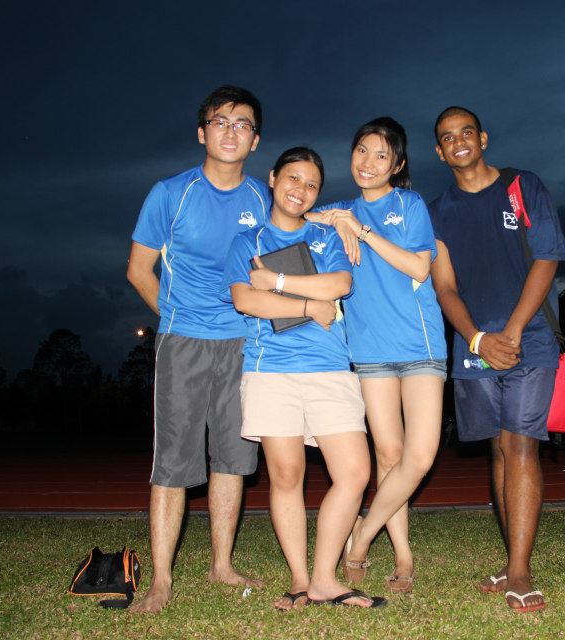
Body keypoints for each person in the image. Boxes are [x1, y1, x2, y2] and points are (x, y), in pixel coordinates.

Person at [223, 147, 386, 610]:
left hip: (329, 368)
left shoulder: (325, 236)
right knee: (287, 474)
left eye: (312, 184)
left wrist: (275, 281)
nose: (301, 190)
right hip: (270, 370)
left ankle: (324, 579)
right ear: (273, 178)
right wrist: (309, 306)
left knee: (355, 472)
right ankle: (300, 580)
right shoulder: (248, 241)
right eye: (293, 178)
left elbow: (339, 285)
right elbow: (245, 300)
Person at [126, 85, 268, 613]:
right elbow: (139, 270)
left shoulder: (263, 199)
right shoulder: (170, 194)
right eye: (220, 122)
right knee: (173, 463)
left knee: (232, 457)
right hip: (183, 340)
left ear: (256, 140)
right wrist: (177, 317)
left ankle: (221, 565)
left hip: (243, 342)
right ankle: (161, 581)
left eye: (243, 124)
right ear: (202, 132)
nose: (231, 132)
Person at [427, 106, 565, 614]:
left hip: (529, 339)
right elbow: (444, 286)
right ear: (439, 151)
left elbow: (547, 259)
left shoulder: (522, 186)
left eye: (466, 132)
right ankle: (511, 560)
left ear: (483, 138)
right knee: (499, 450)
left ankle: (521, 570)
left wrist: (510, 331)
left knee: (521, 444)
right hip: (475, 347)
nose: (459, 141)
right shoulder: (437, 211)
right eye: (448, 137)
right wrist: (476, 339)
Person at [307, 117, 447, 594]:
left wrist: (362, 231)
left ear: (397, 164)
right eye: (362, 151)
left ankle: (363, 534)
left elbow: (419, 267)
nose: (368, 162)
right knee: (388, 455)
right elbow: (296, 216)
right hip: (369, 349)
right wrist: (333, 218)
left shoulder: (409, 205)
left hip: (419, 344)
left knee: (419, 456)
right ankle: (403, 554)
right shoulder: (341, 210)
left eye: (381, 155)